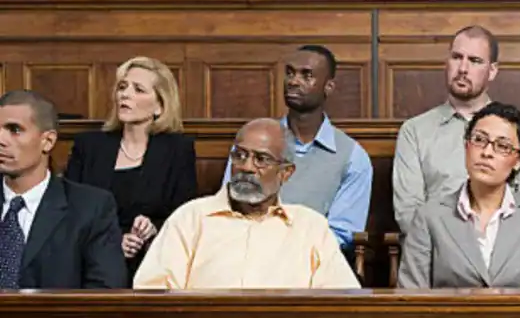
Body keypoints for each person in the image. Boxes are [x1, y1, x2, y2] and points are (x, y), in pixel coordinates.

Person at [136, 118, 361, 289]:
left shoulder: (311, 227)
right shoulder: (190, 219)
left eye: (261, 159)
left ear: (286, 173)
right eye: (240, 156)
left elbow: (341, 302)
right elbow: (153, 295)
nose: (247, 167)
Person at [397, 102, 520, 289]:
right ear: (466, 146)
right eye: (479, 139)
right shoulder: (429, 217)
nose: (486, 153)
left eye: (502, 146)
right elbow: (410, 300)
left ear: (519, 161)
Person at [392, 25, 520, 235]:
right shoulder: (415, 131)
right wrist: (457, 247)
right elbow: (408, 212)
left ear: (492, 71)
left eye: (475, 61)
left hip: (505, 252)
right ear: (447, 63)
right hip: (437, 253)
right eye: (457, 57)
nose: (463, 69)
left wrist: (488, 242)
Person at [221, 45, 372, 251]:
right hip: (244, 252)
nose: (293, 81)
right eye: (290, 73)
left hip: (311, 263)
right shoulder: (254, 142)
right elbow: (226, 208)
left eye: (306, 75)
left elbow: (341, 234)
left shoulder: (353, 157)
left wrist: (287, 253)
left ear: (328, 87)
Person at [64, 56, 197, 279]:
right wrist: (114, 240)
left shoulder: (177, 150)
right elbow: (70, 210)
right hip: (89, 257)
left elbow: (184, 213)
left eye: (139, 90)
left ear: (159, 105)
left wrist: (153, 227)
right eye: (122, 87)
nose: (125, 94)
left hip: (150, 259)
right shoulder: (89, 146)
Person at [0, 90, 126, 289]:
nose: (1, 140)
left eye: (14, 130)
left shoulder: (91, 208)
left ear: (47, 141)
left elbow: (105, 294)